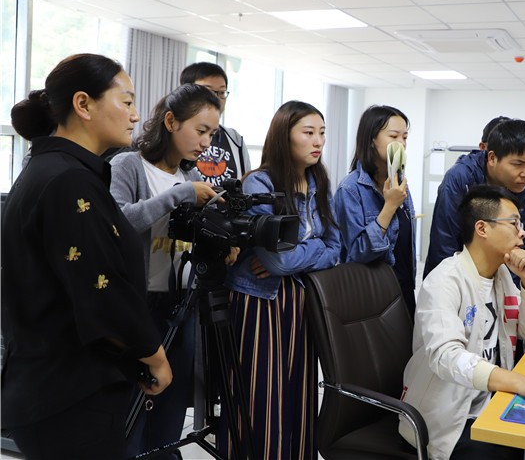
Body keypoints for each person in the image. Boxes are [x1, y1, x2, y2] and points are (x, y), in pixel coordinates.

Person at [1, 54, 172, 459]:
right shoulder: (69, 181)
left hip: (52, 386)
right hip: (67, 393)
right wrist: (155, 355)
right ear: (83, 104)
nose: (135, 116)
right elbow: (101, 288)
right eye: (126, 101)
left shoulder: (54, 169)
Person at [399, 185, 525, 460]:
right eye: (514, 223)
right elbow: (447, 356)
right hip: (449, 415)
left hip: (489, 401)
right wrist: (519, 382)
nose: (522, 232)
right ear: (482, 228)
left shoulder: (501, 276)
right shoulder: (444, 281)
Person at [110, 83, 231, 459]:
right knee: (132, 407)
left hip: (180, 303)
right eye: (201, 130)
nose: (206, 142)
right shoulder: (128, 165)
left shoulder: (189, 174)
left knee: (172, 406)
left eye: (212, 133)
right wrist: (182, 194)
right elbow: (120, 222)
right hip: (138, 305)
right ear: (171, 122)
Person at [220, 100, 341, 460]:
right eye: (308, 132)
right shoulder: (259, 182)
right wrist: (313, 250)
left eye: (322, 133)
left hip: (300, 298)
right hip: (259, 300)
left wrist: (300, 255)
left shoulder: (319, 181)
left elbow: (336, 248)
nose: (318, 141)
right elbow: (277, 260)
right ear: (283, 136)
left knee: (298, 392)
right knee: (262, 393)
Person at [424, 118, 525, 277]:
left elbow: (517, 246)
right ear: (492, 158)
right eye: (518, 164)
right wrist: (446, 285)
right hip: (455, 276)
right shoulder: (460, 178)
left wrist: (511, 289)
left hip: (497, 277)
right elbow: (445, 243)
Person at [335, 105, 416, 317]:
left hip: (402, 290)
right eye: (393, 136)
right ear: (372, 139)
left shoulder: (399, 183)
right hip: (368, 296)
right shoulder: (350, 189)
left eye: (405, 137)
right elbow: (358, 252)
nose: (401, 143)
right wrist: (389, 206)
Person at [180, 62, 251, 186]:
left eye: (222, 92)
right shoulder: (177, 135)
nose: (216, 98)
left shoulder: (235, 139)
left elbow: (244, 183)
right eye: (208, 91)